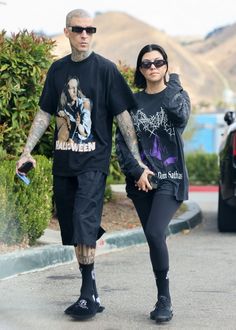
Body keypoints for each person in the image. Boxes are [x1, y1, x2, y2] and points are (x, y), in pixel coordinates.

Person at [16, 9, 147, 321]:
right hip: (64, 162)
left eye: (90, 29)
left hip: (93, 162)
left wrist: (138, 159)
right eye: (78, 29)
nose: (85, 34)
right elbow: (45, 113)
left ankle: (87, 295)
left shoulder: (105, 70)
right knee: (76, 228)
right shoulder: (57, 70)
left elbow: (123, 118)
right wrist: (26, 151)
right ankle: (92, 289)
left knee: (83, 222)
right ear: (67, 32)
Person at [115, 44, 191, 324]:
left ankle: (164, 299)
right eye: (146, 64)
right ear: (140, 69)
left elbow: (178, 115)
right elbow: (121, 143)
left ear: (166, 66)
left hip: (170, 178)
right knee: (152, 238)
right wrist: (137, 171)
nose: (153, 68)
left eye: (158, 62)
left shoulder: (179, 96)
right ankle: (161, 293)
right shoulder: (131, 102)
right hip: (141, 181)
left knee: (157, 232)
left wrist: (175, 82)